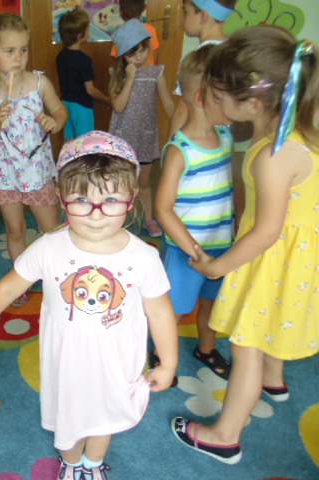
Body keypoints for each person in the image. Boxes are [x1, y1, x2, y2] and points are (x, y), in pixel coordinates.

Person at [0, 131, 179, 480]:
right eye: (81, 199)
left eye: (111, 200)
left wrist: (168, 361)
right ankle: (72, 463)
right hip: (66, 362)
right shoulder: (49, 247)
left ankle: (93, 464)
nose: (96, 214)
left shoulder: (144, 256)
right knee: (69, 419)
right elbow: (8, 287)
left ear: (132, 198)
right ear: (61, 198)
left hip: (118, 363)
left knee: (106, 415)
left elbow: (160, 311)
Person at [171, 25, 319, 465]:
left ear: (253, 102)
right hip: (296, 257)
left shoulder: (274, 155)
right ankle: (273, 379)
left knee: (246, 344)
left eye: (219, 95)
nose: (212, 102)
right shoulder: (295, 127)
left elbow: (267, 232)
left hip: (273, 257)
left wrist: (217, 268)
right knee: (270, 323)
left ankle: (225, 435)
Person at [0, 13, 68, 305]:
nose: (18, 57)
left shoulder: (39, 82)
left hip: (38, 172)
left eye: (23, 50)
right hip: (6, 176)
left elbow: (60, 111)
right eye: (9, 51)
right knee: (15, 231)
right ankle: (21, 281)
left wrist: (55, 122)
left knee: (51, 230)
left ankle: (60, 278)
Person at [154, 45, 233, 383]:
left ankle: (206, 348)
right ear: (203, 98)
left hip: (222, 245)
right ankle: (161, 357)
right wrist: (194, 250)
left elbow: (230, 186)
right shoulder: (179, 150)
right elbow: (162, 208)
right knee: (174, 309)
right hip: (186, 251)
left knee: (212, 303)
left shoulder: (226, 135)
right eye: (229, 96)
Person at [108, 19, 174, 237]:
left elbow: (168, 104)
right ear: (122, 56)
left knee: (144, 182)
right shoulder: (117, 74)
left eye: (142, 50)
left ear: (148, 46)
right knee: (121, 181)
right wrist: (129, 80)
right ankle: (117, 218)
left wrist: (182, 123)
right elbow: (118, 106)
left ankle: (148, 219)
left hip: (146, 137)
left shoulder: (156, 73)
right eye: (131, 53)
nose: (139, 57)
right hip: (123, 137)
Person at [168, 0, 237, 137]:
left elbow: (182, 111)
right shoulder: (235, 50)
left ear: (204, 16)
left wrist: (171, 144)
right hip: (225, 139)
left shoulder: (196, 61)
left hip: (197, 141)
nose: (182, 18)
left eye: (186, 12)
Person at [56, 8, 111, 141]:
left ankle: (65, 156)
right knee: (86, 142)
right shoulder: (84, 59)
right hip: (81, 107)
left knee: (68, 141)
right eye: (88, 29)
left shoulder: (60, 56)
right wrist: (108, 100)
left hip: (65, 104)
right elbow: (90, 90)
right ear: (81, 34)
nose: (89, 32)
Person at [110, 0, 160, 65]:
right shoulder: (151, 29)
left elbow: (116, 59)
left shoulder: (120, 33)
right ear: (144, 8)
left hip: (129, 70)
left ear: (120, 11)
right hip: (149, 69)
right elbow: (155, 57)